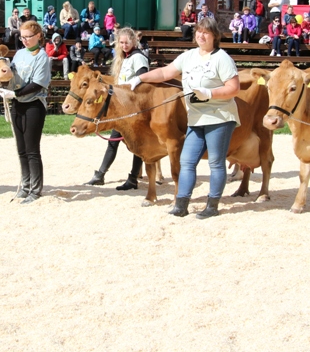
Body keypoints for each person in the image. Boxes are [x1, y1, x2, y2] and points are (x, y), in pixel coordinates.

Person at [128, 16, 240, 219]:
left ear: (214, 36)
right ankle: (182, 203)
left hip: (219, 117)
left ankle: (212, 205)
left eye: (206, 32)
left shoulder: (222, 58)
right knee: (187, 161)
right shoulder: (188, 56)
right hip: (196, 118)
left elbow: (234, 88)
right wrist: (140, 77)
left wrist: (210, 93)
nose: (201, 35)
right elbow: (164, 73)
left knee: (215, 162)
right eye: (199, 31)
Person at [0, 20, 51, 204]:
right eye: (22, 37)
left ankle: (35, 189)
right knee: (21, 149)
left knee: (32, 149)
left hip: (34, 105)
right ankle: (24, 186)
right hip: (17, 104)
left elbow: (36, 84)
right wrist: (3, 84)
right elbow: (12, 75)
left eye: (28, 37)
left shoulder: (42, 57)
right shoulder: (18, 54)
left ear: (38, 36)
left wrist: (14, 93)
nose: (24, 40)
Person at [86, 27, 150, 189]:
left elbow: (143, 81)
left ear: (134, 41)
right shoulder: (124, 58)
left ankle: (133, 178)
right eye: (121, 42)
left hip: (133, 107)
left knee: (137, 144)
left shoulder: (138, 58)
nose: (124, 45)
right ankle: (100, 174)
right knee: (113, 142)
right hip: (122, 107)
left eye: (127, 42)